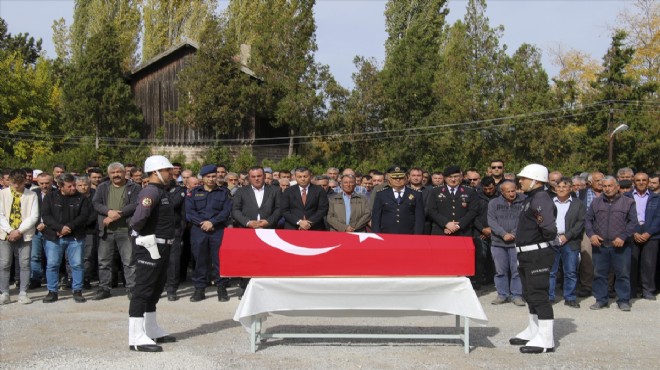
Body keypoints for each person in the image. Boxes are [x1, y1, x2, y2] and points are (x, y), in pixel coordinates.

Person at [128, 155, 177, 352]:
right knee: (143, 290)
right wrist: (137, 232)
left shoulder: (160, 191)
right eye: (167, 170)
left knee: (155, 289)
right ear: (156, 172)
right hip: (151, 246)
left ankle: (150, 328)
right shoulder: (150, 192)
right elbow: (139, 217)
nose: (171, 173)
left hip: (162, 246)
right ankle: (136, 337)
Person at [508, 164, 557, 354]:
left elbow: (548, 229)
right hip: (526, 252)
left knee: (538, 294)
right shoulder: (532, 198)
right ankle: (533, 330)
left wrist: (537, 244)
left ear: (536, 180)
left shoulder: (541, 198)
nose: (520, 181)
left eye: (524, 178)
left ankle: (546, 340)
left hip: (537, 253)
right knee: (529, 293)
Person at [586, 176, 637, 311]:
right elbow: (588, 221)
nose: (607, 189)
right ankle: (601, 299)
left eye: (610, 186)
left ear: (617, 187)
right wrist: (591, 235)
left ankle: (623, 300)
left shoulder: (629, 202)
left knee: (623, 274)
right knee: (599, 274)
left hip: (621, 246)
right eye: (604, 186)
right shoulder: (596, 202)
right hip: (600, 245)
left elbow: (633, 223)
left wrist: (623, 237)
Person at [92, 163, 140, 300]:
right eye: (113, 172)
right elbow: (96, 203)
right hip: (106, 231)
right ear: (109, 174)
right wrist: (108, 212)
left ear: (125, 173)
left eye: (119, 172)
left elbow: (135, 204)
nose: (116, 174)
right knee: (103, 261)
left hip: (126, 230)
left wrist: (119, 214)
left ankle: (132, 288)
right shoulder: (103, 187)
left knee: (129, 261)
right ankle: (104, 288)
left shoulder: (134, 187)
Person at [231, 166, 280, 298]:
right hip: (248, 231)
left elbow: (279, 209)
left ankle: (267, 289)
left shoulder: (274, 190)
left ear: (264, 176)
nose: (257, 179)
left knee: (267, 260)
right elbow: (235, 210)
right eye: (253, 176)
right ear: (249, 177)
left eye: (259, 176)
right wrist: (247, 222)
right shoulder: (241, 192)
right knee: (247, 260)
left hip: (268, 230)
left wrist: (269, 221)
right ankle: (245, 286)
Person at [186, 164, 232, 302]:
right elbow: (189, 212)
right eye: (208, 177)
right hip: (199, 231)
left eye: (213, 176)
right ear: (203, 178)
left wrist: (212, 222)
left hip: (217, 230)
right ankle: (199, 289)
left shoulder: (223, 192)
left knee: (219, 260)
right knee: (200, 260)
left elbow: (226, 211)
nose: (211, 179)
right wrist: (204, 223)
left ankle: (221, 289)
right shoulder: (193, 193)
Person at [41, 173, 90, 303]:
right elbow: (46, 216)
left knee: (77, 264)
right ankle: (52, 291)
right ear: (60, 186)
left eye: (74, 185)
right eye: (70, 186)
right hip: (54, 237)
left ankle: (77, 290)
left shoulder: (82, 198)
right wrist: (59, 228)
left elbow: (84, 216)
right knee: (52, 264)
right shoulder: (50, 197)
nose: (74, 188)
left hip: (75, 237)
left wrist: (69, 227)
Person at [0, 169, 39, 304]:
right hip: (5, 234)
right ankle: (4, 292)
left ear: (25, 181)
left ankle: (23, 292)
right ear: (10, 181)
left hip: (24, 234)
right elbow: (0, 215)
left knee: (24, 264)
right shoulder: (2, 194)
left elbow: (33, 216)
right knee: (4, 263)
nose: (17, 186)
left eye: (20, 183)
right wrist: (10, 230)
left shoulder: (32, 195)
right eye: (14, 183)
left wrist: (19, 231)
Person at [548, 177, 586, 308]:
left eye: (564, 187)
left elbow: (580, 222)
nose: (561, 189)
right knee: (551, 271)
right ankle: (549, 297)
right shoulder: (549, 202)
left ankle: (570, 297)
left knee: (570, 271)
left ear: (570, 189)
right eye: (558, 187)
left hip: (570, 241)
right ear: (554, 188)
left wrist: (567, 236)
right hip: (551, 240)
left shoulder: (578, 204)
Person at [487, 181, 525, 306]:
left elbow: (524, 219)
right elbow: (491, 221)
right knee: (500, 270)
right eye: (508, 191)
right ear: (502, 192)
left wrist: (514, 233)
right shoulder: (494, 203)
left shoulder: (523, 201)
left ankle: (517, 295)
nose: (511, 193)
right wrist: (503, 234)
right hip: (498, 242)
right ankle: (502, 294)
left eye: (513, 190)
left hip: (516, 242)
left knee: (516, 270)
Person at [624, 172, 659, 300]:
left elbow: (658, 218)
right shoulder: (626, 197)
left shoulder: (656, 197)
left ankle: (648, 290)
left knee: (649, 264)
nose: (641, 182)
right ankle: (631, 290)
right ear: (633, 181)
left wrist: (648, 233)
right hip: (632, 232)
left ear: (648, 182)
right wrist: (633, 232)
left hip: (651, 233)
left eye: (644, 180)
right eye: (638, 180)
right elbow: (623, 217)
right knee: (631, 263)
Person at [371, 166, 424, 235]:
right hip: (386, 234)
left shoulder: (416, 194)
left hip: (409, 235)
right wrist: (377, 236)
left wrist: (417, 236)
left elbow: (419, 219)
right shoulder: (381, 194)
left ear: (406, 178)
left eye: (401, 177)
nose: (398, 180)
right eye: (394, 178)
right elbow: (375, 218)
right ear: (389, 179)